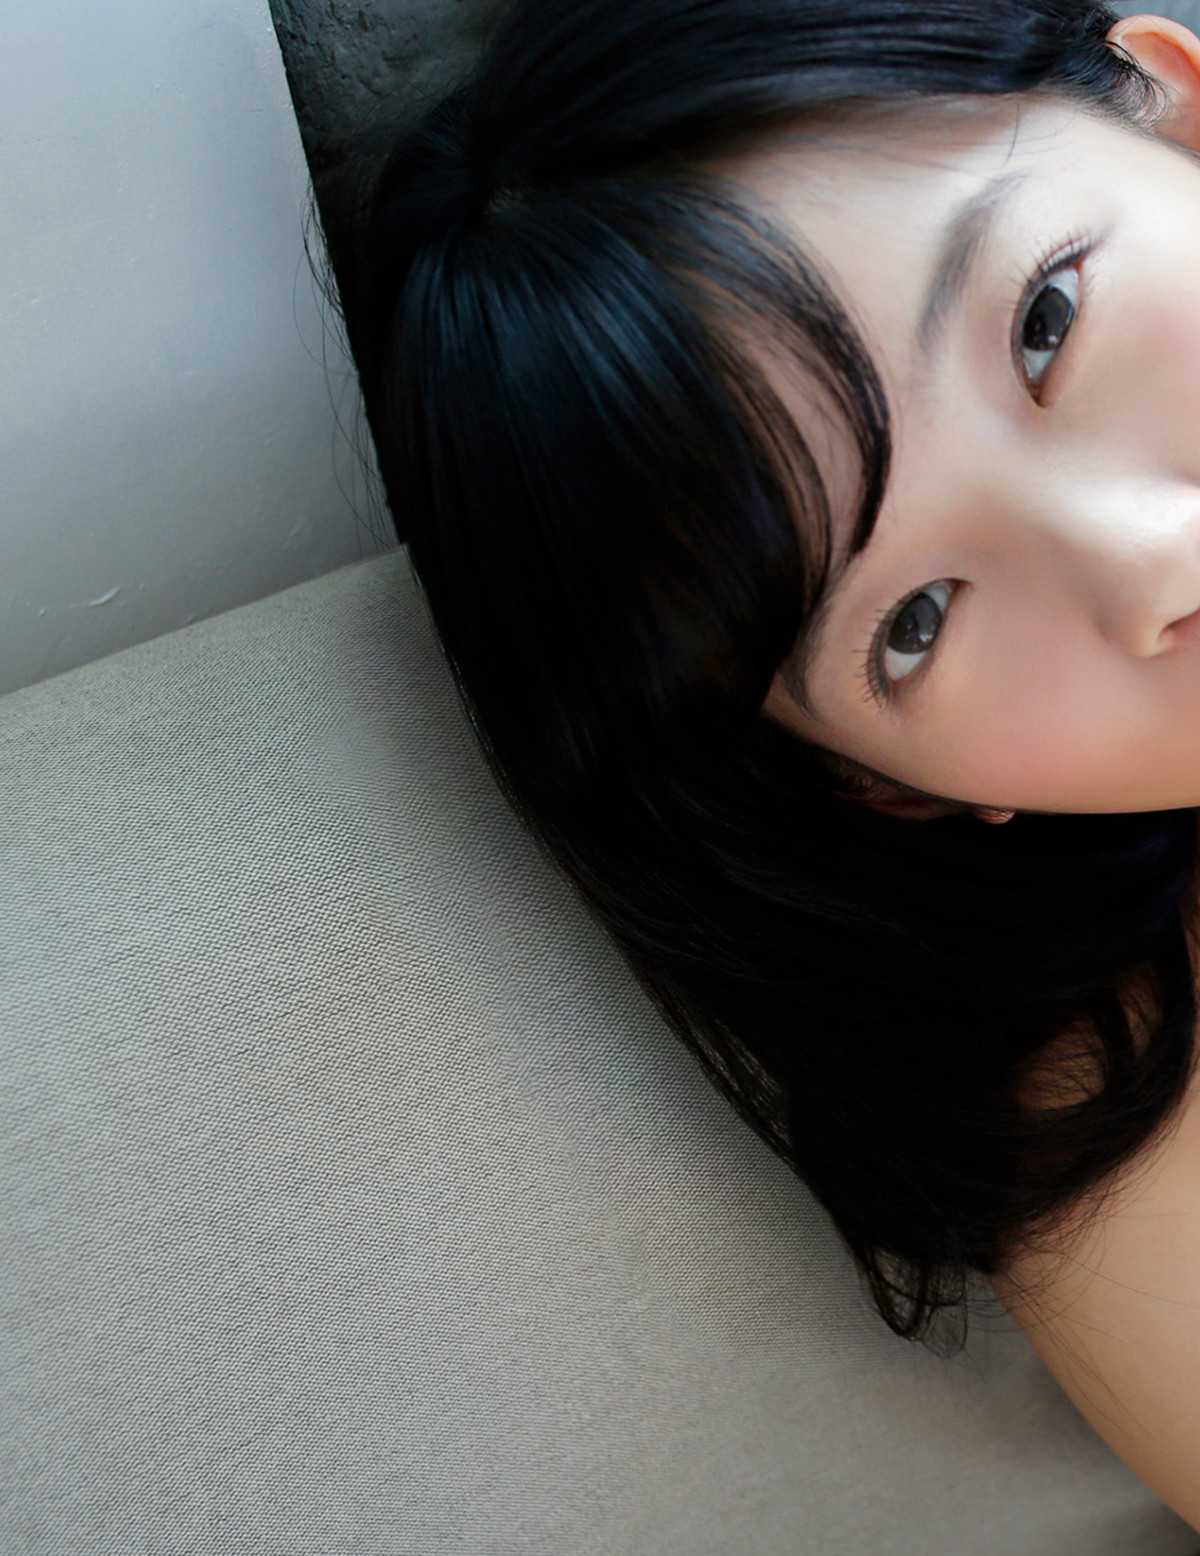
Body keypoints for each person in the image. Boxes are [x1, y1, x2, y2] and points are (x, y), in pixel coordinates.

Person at [314, 0, 1200, 1354]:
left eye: (1047, 319)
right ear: (890, 787)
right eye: (913, 624)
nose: (1151, 562)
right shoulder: (1130, 1179)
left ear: (1175, 106)